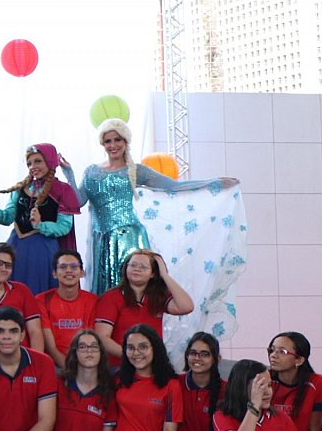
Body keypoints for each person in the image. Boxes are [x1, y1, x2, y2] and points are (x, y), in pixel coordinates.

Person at [59, 119, 240, 298]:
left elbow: (173, 186)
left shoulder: (137, 170)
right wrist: (70, 175)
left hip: (130, 239)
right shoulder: (92, 171)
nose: (113, 145)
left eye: (117, 139)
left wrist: (214, 183)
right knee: (105, 294)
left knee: (133, 288)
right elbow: (78, 202)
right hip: (102, 241)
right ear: (102, 144)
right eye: (108, 141)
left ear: (125, 141)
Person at [0, 143, 78, 296]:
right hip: (16, 248)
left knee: (39, 294)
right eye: (29, 163)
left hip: (43, 251)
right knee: (13, 293)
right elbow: (8, 218)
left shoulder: (63, 190)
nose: (33, 166)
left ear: (49, 160)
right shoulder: (20, 189)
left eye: (38, 161)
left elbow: (64, 226)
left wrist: (40, 225)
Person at [93, 250, 192, 365]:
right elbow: (102, 337)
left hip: (153, 365)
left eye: (143, 267)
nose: (137, 269)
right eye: (133, 265)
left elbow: (186, 307)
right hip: (122, 365)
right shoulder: (111, 297)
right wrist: (133, 356)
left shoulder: (158, 296)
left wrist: (164, 275)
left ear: (153, 274)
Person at [37, 250, 97, 363]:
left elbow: (92, 340)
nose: (69, 270)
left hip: (86, 362)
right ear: (54, 273)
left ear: (82, 273)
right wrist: (69, 369)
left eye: (74, 266)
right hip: (54, 364)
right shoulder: (42, 300)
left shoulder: (93, 300)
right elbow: (51, 348)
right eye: (63, 267)